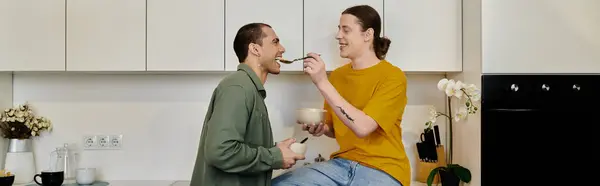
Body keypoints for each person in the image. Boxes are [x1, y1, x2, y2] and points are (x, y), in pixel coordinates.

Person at [272, 5, 409, 186]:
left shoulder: (393, 77)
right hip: (341, 164)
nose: (338, 36)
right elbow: (335, 128)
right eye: (339, 29)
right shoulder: (338, 76)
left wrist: (322, 82)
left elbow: (363, 127)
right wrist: (322, 128)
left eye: (346, 30)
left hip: (384, 169)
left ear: (368, 35)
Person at [190, 23, 305, 186]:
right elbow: (221, 151)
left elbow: (237, 148)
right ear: (255, 49)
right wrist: (275, 157)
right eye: (275, 42)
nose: (282, 48)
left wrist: (275, 150)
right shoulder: (238, 87)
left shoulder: (249, 88)